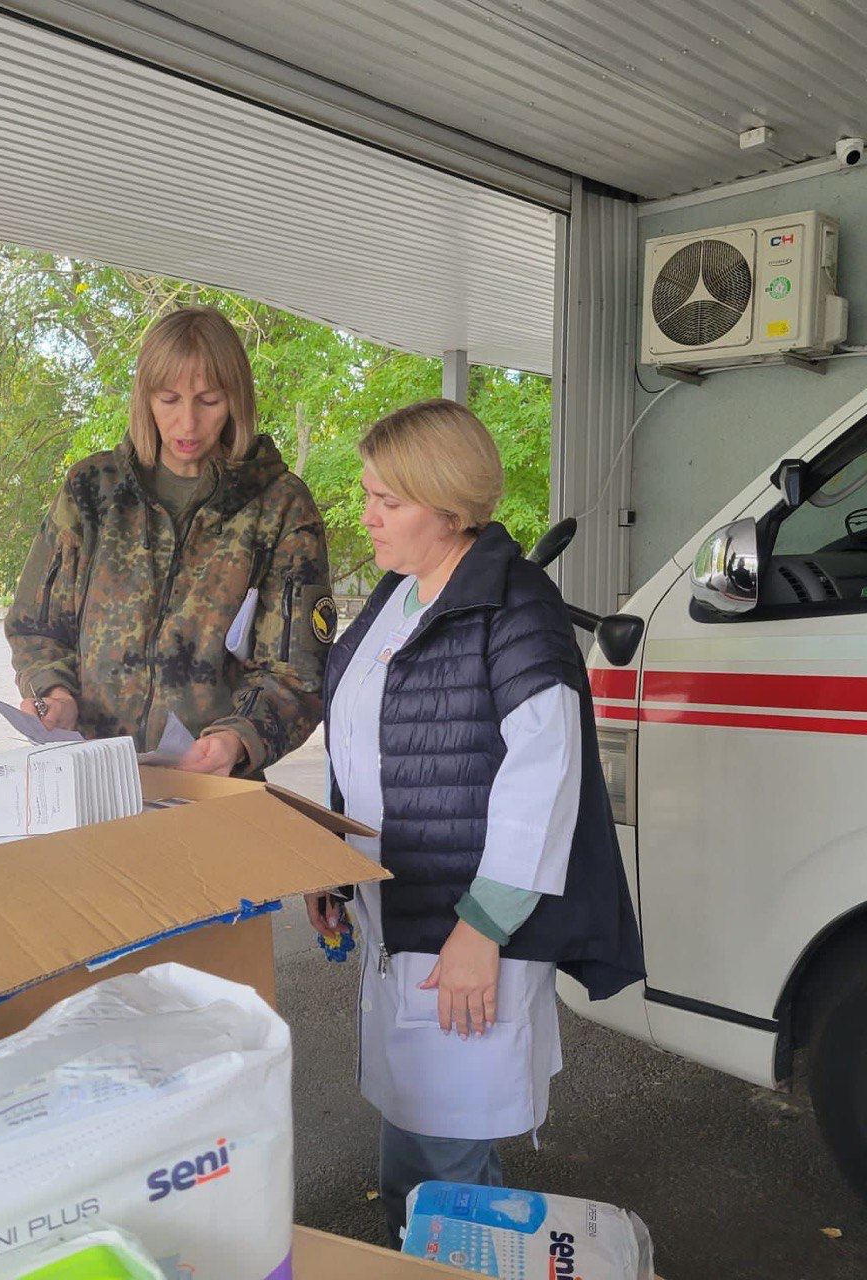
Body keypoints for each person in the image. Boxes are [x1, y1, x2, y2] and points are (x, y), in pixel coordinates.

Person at [306, 398, 644, 1245]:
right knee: (410, 1141)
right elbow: (363, 745)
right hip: (397, 911)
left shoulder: (515, 609)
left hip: (464, 927)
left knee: (454, 1172)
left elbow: (545, 784)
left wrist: (481, 930)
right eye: (367, 494)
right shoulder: (399, 596)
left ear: (449, 506)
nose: (367, 515)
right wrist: (333, 866)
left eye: (388, 500)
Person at [4, 305, 336, 776]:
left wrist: (238, 737)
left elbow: (297, 673)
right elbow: (37, 628)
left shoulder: (279, 506)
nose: (187, 424)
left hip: (210, 787)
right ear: (145, 399)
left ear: (236, 400)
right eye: (168, 399)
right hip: (92, 774)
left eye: (208, 401)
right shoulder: (92, 491)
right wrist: (54, 694)